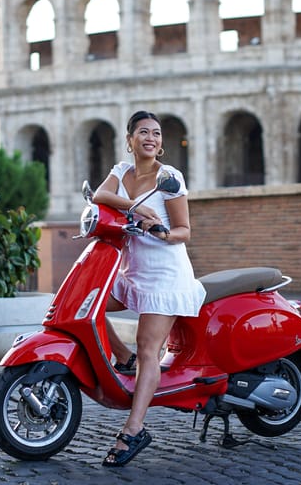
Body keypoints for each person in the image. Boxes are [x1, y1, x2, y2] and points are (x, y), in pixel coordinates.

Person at [92, 110, 206, 467]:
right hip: (131, 270)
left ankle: (134, 428)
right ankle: (120, 357)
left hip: (164, 275)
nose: (151, 138)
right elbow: (100, 195)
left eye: (156, 134)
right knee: (89, 307)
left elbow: (185, 230)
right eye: (143, 132)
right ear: (129, 140)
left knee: (148, 351)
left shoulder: (169, 177)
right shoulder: (121, 171)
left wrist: (164, 232)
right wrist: (136, 210)